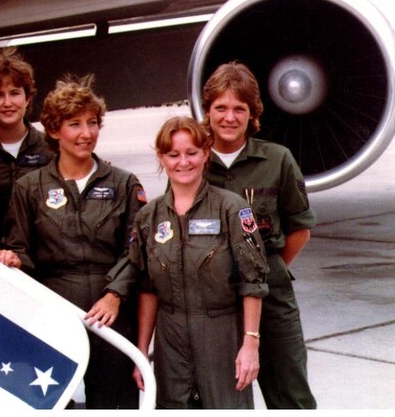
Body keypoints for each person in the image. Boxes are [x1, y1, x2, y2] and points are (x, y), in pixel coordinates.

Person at [0, 75, 146, 409]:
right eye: (74, 124)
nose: (86, 133)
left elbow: (136, 250)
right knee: (50, 403)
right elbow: (20, 247)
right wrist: (13, 259)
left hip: (110, 315)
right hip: (56, 313)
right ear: (53, 130)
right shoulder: (30, 187)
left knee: (112, 403)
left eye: (92, 123)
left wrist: (114, 296)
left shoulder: (123, 183)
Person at [121, 116, 268, 409]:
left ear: (205, 153)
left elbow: (253, 281)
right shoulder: (149, 217)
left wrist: (250, 343)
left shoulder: (232, 208)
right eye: (173, 154)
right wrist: (141, 353)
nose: (183, 162)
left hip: (220, 336)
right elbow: (147, 288)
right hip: (170, 341)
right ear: (162, 158)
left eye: (191, 153)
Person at [200, 61, 317, 409]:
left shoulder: (277, 160)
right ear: (207, 111)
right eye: (220, 107)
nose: (229, 117)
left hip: (271, 298)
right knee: (220, 398)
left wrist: (268, 270)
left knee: (290, 395)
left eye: (240, 108)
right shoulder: (194, 163)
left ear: (253, 114)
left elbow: (300, 228)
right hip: (215, 300)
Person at [0, 48, 52, 248]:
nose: (7, 103)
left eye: (15, 93)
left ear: (28, 98)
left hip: (40, 259)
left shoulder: (50, 149)